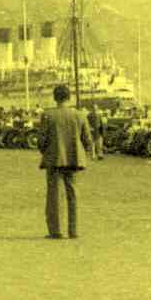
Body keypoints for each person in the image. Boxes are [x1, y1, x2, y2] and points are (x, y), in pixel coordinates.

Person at [38, 85, 93, 239]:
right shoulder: (80, 115)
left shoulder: (48, 115)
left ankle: (56, 230)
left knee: (54, 196)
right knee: (73, 194)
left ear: (54, 98)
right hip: (74, 159)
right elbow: (87, 140)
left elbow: (41, 140)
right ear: (70, 97)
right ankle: (73, 230)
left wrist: (47, 152)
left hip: (54, 159)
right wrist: (82, 153)